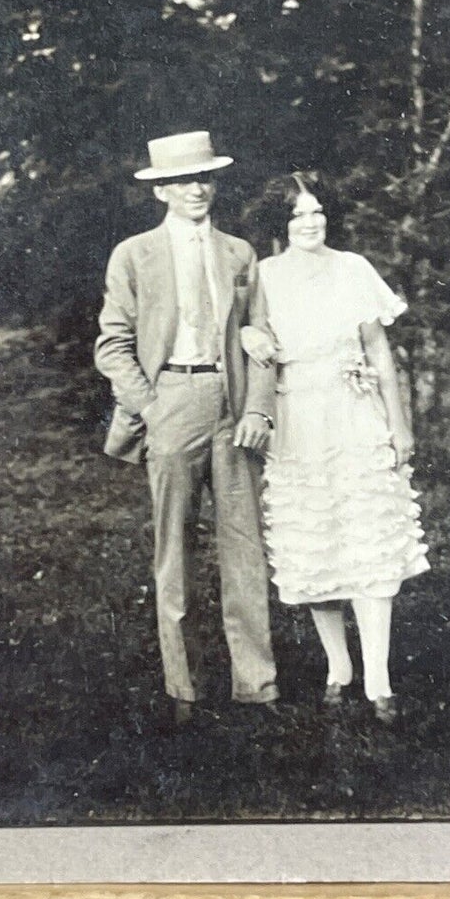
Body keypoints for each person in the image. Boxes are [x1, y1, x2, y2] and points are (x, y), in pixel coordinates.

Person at [94, 131, 280, 728]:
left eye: (203, 179)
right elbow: (112, 344)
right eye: (180, 181)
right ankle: (185, 687)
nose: (194, 190)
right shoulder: (134, 255)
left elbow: (262, 342)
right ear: (160, 192)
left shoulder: (239, 253)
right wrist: (149, 409)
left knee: (246, 547)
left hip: (233, 405)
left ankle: (256, 684)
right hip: (170, 398)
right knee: (174, 548)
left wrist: (257, 409)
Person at [247, 172, 428, 724]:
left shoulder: (352, 268)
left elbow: (378, 349)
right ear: (279, 225)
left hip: (354, 414)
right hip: (297, 419)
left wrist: (399, 426)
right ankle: (338, 668)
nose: (310, 222)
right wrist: (242, 336)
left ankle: (378, 676)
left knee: (368, 537)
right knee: (316, 542)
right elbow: (239, 337)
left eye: (317, 212)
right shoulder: (261, 278)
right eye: (297, 215)